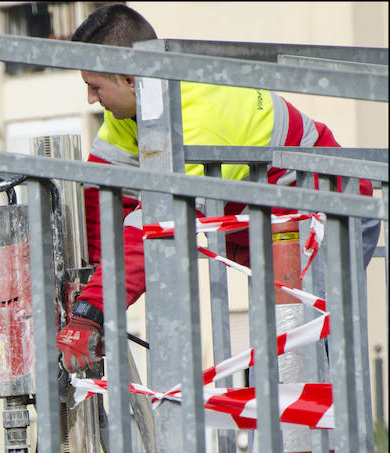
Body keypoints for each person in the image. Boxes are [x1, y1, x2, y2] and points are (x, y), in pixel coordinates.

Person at [56, 4, 381, 374]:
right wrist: (84, 299)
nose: (91, 99)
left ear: (130, 79)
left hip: (331, 218)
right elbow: (101, 201)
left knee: (302, 360)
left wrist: (91, 311)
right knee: (284, 365)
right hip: (276, 228)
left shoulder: (198, 118)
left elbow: (154, 227)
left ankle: (332, 426)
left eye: (94, 86)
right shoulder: (134, 113)